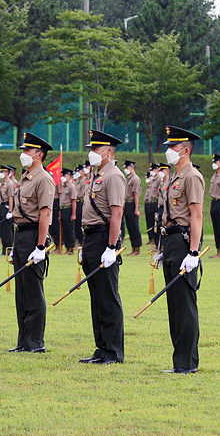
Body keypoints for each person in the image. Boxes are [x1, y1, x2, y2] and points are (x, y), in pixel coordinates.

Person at [152, 126, 204, 374]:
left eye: (173, 147)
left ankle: (187, 362)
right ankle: (179, 361)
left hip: (184, 242)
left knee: (184, 304)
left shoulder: (192, 176)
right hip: (171, 242)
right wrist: (162, 248)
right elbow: (168, 215)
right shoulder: (174, 176)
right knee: (174, 304)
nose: (169, 151)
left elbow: (196, 216)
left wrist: (193, 252)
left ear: (184, 149)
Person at [78, 129, 126, 365]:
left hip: (103, 239)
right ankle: (101, 348)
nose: (92, 153)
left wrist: (111, 246)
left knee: (107, 297)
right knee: (97, 298)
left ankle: (113, 351)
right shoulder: (98, 175)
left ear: (108, 151)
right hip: (91, 239)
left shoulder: (113, 175)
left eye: (95, 149)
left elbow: (117, 214)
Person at [7, 132, 55, 353]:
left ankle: (35, 342)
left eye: (27, 150)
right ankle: (23, 341)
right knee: (22, 292)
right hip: (20, 236)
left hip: (33, 236)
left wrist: (40, 246)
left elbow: (45, 214)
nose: (22, 154)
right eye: (23, 150)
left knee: (33, 291)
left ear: (39, 154)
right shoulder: (25, 178)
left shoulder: (43, 179)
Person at [122, 160, 143, 255]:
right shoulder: (128, 178)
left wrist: (136, 209)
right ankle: (133, 248)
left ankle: (137, 248)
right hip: (127, 204)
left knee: (134, 227)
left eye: (127, 168)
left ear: (131, 168)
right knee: (130, 226)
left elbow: (136, 195)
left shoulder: (135, 179)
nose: (126, 170)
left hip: (132, 204)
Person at [59, 168, 77, 254]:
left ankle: (71, 248)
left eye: (64, 175)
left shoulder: (71, 187)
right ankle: (66, 247)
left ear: (69, 176)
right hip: (62, 210)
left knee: (70, 229)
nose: (63, 177)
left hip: (68, 209)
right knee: (64, 230)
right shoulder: (63, 187)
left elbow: (73, 200)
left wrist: (73, 214)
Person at [144, 163, 160, 247]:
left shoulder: (159, 180)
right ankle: (152, 239)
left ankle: (157, 242)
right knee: (149, 221)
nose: (152, 172)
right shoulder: (153, 180)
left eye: (153, 170)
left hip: (155, 203)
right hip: (150, 203)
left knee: (155, 223)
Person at [75, 165, 87, 247]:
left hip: (81, 202)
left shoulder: (84, 181)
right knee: (77, 223)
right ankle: (79, 240)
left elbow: (82, 193)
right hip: (77, 202)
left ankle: (81, 241)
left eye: (79, 171)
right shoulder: (78, 181)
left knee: (81, 222)